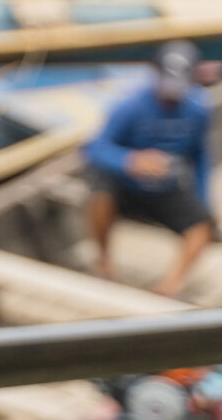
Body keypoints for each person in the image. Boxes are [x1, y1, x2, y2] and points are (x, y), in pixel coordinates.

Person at [84, 42, 215, 299]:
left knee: (202, 226)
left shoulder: (197, 110)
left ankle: (170, 286)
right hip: (125, 185)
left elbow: (200, 157)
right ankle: (104, 264)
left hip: (165, 188)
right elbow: (95, 148)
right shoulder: (130, 106)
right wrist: (130, 161)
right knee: (98, 195)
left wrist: (201, 200)